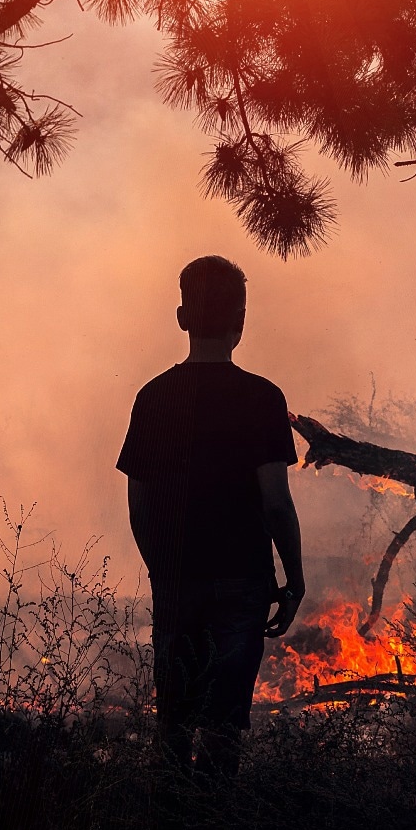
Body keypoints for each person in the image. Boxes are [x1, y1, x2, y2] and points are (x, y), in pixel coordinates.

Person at [117, 255, 305, 777]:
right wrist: (295, 578)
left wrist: (163, 569)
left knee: (174, 723)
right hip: (243, 583)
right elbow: (275, 502)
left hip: (178, 579)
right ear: (240, 322)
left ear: (182, 317)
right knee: (224, 728)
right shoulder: (263, 398)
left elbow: (139, 505)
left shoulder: (154, 399)